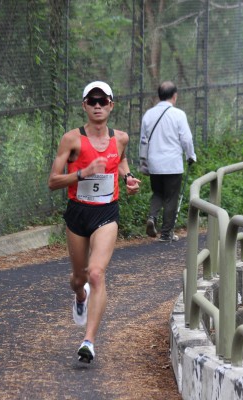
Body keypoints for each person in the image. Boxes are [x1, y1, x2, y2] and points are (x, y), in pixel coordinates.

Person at [48, 81, 141, 364]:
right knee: (79, 279)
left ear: (111, 105)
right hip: (78, 213)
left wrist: (127, 177)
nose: (97, 106)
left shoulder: (120, 138)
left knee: (96, 273)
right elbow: (53, 181)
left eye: (103, 101)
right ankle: (80, 296)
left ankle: (88, 341)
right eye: (92, 101)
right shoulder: (71, 139)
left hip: (106, 213)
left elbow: (120, 160)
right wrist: (82, 173)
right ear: (84, 106)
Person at [140, 81, 196, 242]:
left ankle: (152, 217)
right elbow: (186, 139)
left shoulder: (148, 114)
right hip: (172, 164)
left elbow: (143, 140)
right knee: (171, 197)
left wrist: (143, 161)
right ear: (174, 96)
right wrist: (190, 155)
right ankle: (166, 233)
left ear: (159, 95)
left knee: (158, 193)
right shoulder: (178, 114)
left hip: (154, 163)